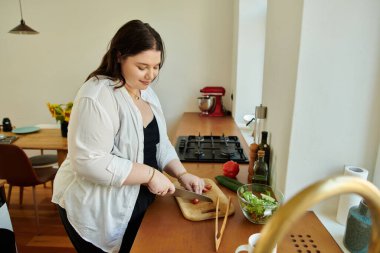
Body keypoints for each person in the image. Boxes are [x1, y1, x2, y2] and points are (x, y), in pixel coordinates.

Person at [52, 19, 205, 253]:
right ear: (119, 56)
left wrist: (181, 173)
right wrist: (151, 174)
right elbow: (89, 162)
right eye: (142, 66)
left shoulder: (146, 92)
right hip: (98, 210)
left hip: (139, 200)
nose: (151, 75)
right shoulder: (97, 95)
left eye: (156, 66)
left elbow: (159, 142)